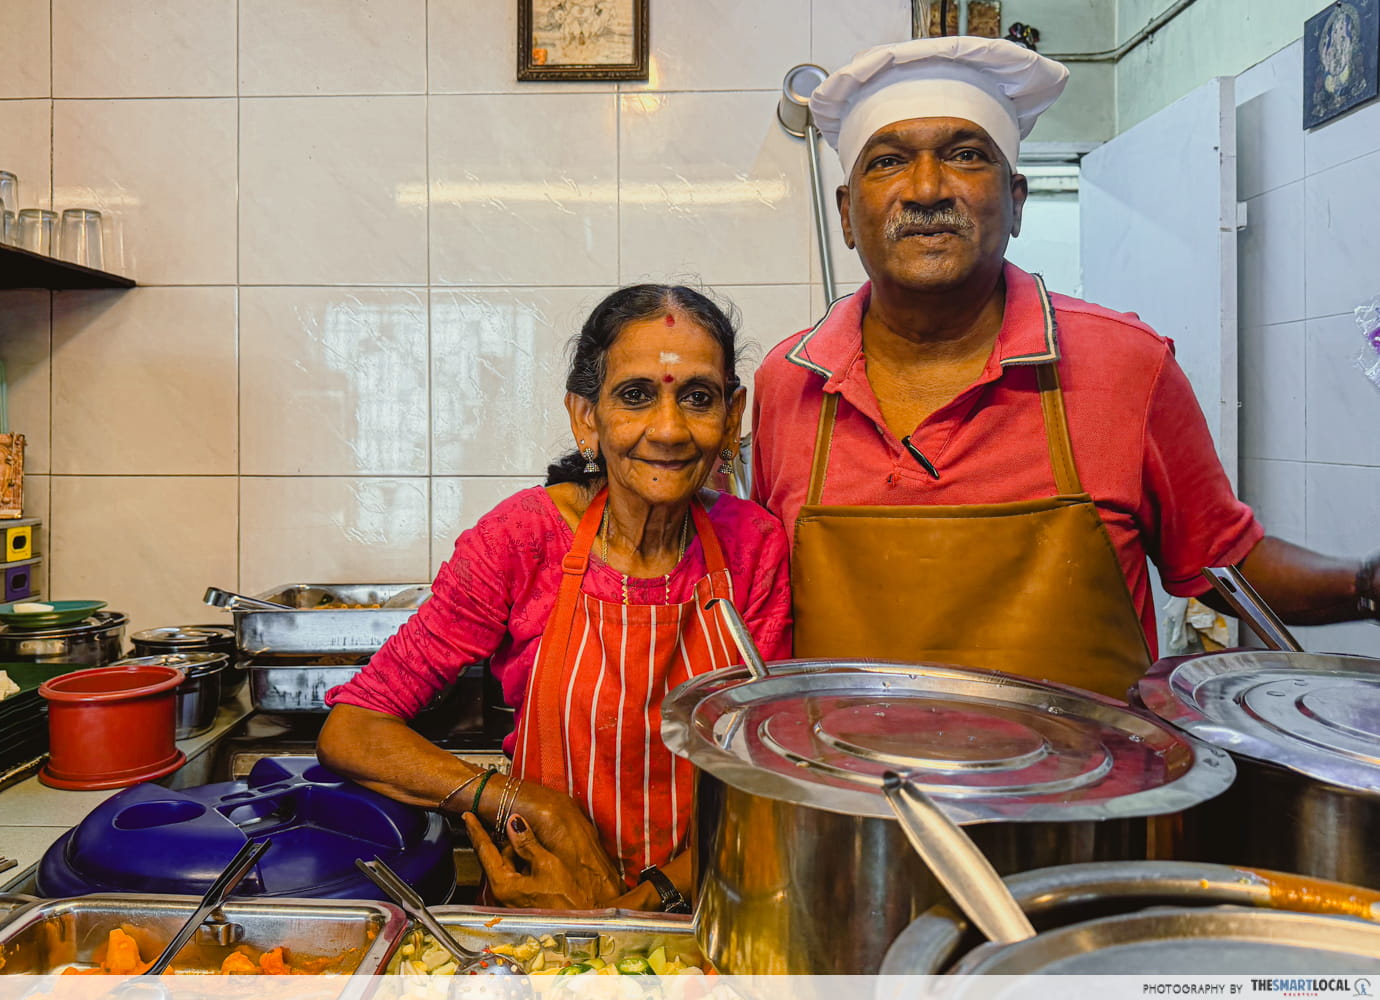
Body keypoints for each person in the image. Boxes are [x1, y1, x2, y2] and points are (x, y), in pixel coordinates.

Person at [751, 36, 1378, 700]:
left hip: (1089, 798)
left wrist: (1364, 585)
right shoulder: (788, 380)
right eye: (888, 161)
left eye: (966, 155)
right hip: (846, 796)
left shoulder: (1126, 365)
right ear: (848, 215)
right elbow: (758, 585)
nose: (928, 187)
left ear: (1016, 200)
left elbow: (1222, 568)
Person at [319, 284, 792, 911]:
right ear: (585, 416)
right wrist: (531, 802)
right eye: (636, 395)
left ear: (732, 417)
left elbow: (770, 784)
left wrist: (633, 910)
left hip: (707, 904)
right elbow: (353, 729)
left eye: (697, 398)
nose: (671, 429)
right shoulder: (522, 539)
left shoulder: (754, 547)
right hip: (534, 909)